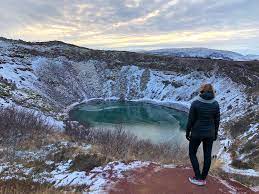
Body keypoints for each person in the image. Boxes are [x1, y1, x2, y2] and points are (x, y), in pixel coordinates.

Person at [186, 83, 220, 186]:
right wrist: (215, 134)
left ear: (202, 91)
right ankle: (203, 179)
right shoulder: (215, 104)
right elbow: (217, 121)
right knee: (207, 156)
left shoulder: (196, 103)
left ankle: (197, 176)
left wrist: (187, 132)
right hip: (209, 133)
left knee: (192, 153)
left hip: (196, 132)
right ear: (212, 92)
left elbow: (191, 120)